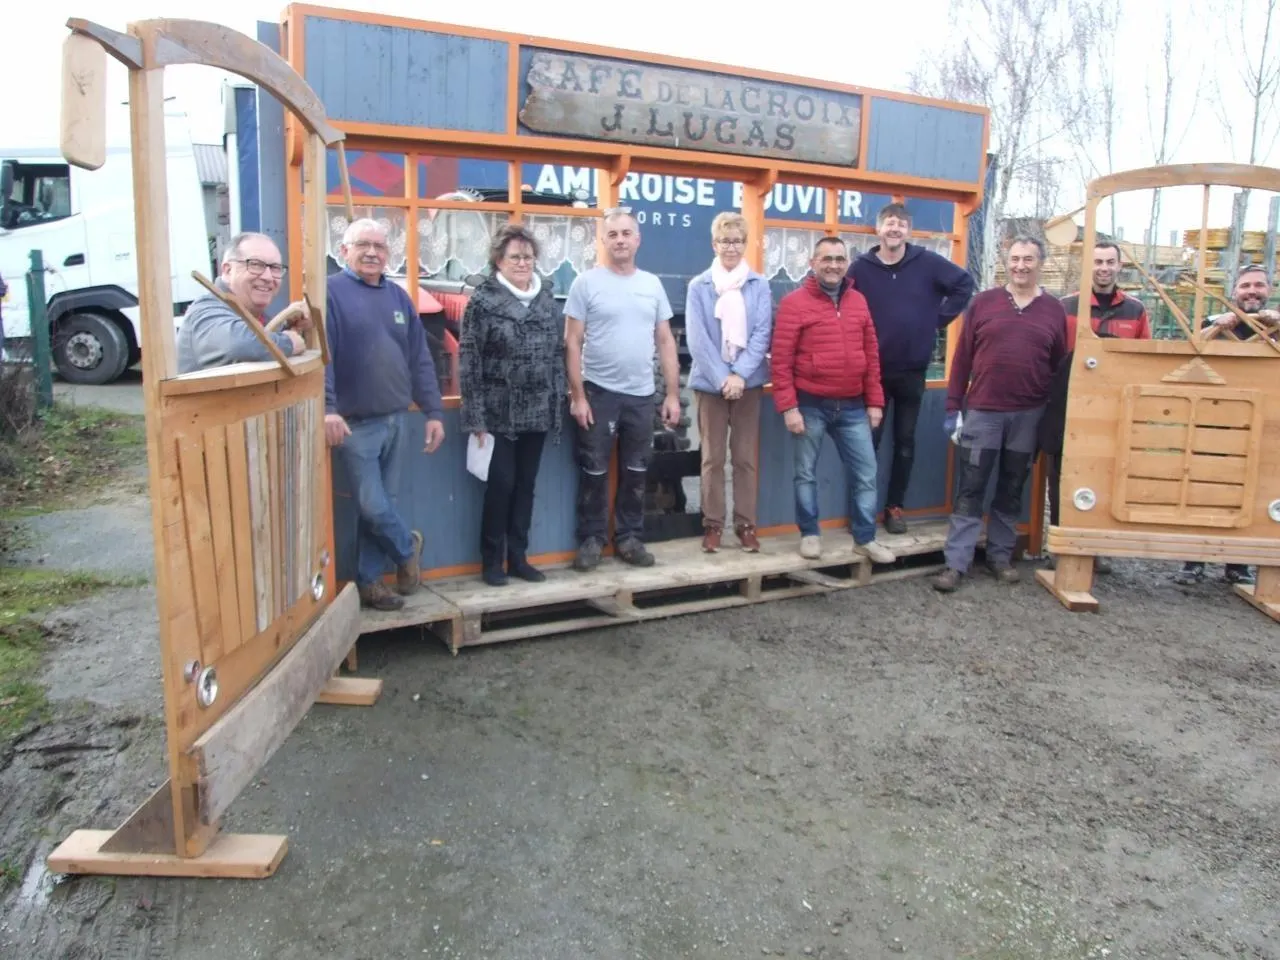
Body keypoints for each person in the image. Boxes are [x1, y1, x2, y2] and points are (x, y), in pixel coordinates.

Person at [934, 235, 1067, 593]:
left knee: (1012, 486)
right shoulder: (983, 303)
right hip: (983, 412)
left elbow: (1059, 368)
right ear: (1006, 263)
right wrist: (953, 405)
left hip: (1029, 415)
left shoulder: (1054, 310)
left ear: (1040, 263)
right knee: (971, 486)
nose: (1020, 266)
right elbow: (962, 358)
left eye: (1028, 259)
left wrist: (1053, 417)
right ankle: (956, 563)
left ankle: (1000, 557)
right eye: (1015, 259)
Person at [324, 218, 445, 611]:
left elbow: (419, 358)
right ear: (344, 251)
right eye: (363, 245)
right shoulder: (330, 294)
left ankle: (370, 583)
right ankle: (407, 548)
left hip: (397, 418)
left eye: (379, 246)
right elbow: (323, 359)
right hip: (354, 424)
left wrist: (433, 411)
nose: (372, 252)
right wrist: (327, 408)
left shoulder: (398, 297)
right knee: (372, 506)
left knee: (380, 507)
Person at [565, 208, 682, 572]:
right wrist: (578, 396)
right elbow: (572, 342)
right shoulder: (585, 283)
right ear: (603, 240)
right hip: (598, 393)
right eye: (613, 234)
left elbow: (665, 341)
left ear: (637, 240)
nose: (620, 240)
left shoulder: (652, 285)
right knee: (594, 469)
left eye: (626, 233)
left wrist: (672, 394)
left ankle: (629, 539)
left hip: (641, 396)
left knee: (636, 469)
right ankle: (592, 539)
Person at [849, 202, 975, 534]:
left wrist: (936, 320)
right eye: (889, 223)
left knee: (905, 443)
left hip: (912, 371)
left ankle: (895, 508)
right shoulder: (860, 268)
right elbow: (842, 303)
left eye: (901, 224)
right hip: (872, 373)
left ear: (908, 231)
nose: (895, 229)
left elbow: (964, 284)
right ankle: (862, 511)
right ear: (879, 229)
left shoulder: (927, 263)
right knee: (869, 443)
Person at [770, 236, 897, 565]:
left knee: (866, 473)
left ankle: (865, 539)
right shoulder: (794, 303)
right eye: (826, 259)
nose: (833, 265)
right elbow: (780, 361)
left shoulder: (858, 301)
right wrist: (789, 407)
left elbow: (871, 355)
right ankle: (810, 534)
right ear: (812, 263)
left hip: (853, 406)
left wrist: (875, 402)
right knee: (805, 474)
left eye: (840, 259)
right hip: (810, 404)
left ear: (847, 264)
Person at [458, 224, 566, 587]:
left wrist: (557, 403)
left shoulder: (546, 301)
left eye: (528, 257)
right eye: (515, 257)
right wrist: (475, 417)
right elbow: (469, 362)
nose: (523, 263)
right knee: (500, 486)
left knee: (525, 486)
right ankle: (492, 562)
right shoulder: (482, 302)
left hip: (537, 410)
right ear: (498, 260)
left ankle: (519, 558)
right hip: (496, 413)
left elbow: (557, 355)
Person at [1040, 240, 1151, 574]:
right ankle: (1061, 544)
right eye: (1098, 262)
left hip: (1113, 411)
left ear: (1119, 266)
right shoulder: (1065, 307)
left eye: (1109, 262)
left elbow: (1143, 360)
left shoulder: (1135, 310)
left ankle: (1095, 547)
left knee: (1105, 475)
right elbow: (1051, 355)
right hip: (1069, 406)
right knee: (1062, 475)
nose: (1104, 268)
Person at [1174, 265, 1279, 586]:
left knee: (1253, 492)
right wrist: (1217, 326)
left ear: (1269, 290)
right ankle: (1194, 560)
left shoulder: (1275, 326)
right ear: (1234, 291)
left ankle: (1240, 563)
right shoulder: (1214, 323)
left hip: (1264, 423)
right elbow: (1186, 350)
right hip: (1215, 422)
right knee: (1205, 488)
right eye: (1245, 286)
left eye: (1258, 285)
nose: (1252, 291)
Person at [685, 211, 773, 553]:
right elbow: (698, 339)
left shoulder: (759, 285)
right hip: (711, 385)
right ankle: (713, 525)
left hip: (748, 384)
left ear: (745, 244)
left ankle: (746, 524)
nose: (731, 247)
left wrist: (741, 375)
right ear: (714, 244)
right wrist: (724, 378)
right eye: (724, 241)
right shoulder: (699, 286)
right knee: (712, 457)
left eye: (737, 241)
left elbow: (762, 333)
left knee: (745, 458)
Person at [176, 232, 309, 374]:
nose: (268, 277)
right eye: (256, 265)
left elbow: (257, 339)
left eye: (275, 268)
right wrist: (289, 343)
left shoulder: (252, 315)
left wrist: (289, 325)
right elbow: (237, 346)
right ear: (228, 270)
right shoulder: (206, 311)